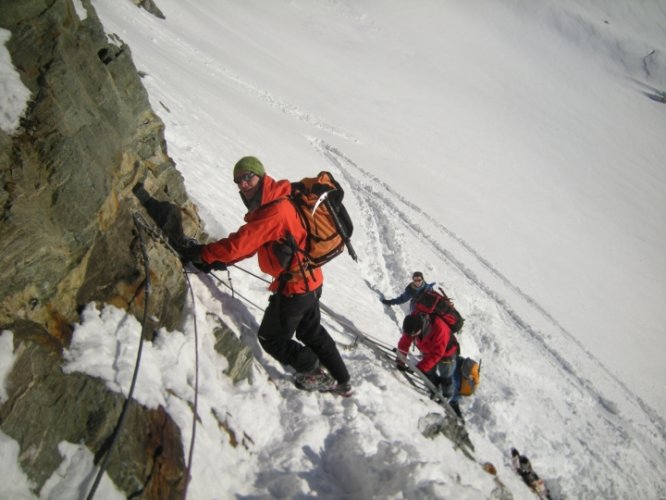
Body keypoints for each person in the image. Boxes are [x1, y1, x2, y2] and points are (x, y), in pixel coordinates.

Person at [181, 156, 351, 396]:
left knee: (271, 338)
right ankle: (342, 378)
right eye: (238, 180)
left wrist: (203, 255)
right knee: (311, 332)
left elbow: (239, 246)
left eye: (248, 176)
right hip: (312, 280)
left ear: (261, 176)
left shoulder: (274, 211)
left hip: (295, 288)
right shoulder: (282, 196)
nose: (243, 184)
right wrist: (216, 259)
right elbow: (249, 245)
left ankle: (314, 370)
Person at [396, 312, 462, 418]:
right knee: (428, 372)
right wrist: (400, 360)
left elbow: (437, 354)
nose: (412, 337)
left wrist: (420, 368)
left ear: (420, 328)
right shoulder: (412, 323)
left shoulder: (439, 329)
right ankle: (433, 389)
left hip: (447, 353)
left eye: (414, 335)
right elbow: (404, 342)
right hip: (428, 349)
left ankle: (447, 397)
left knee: (446, 376)